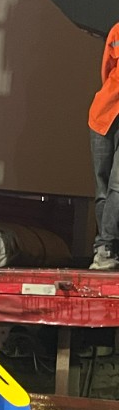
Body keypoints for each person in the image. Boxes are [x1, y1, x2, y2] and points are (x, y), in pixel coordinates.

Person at [89, 20, 119, 270]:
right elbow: (106, 70)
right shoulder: (117, 30)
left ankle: (105, 247)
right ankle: (107, 249)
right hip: (103, 115)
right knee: (103, 187)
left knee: (117, 186)